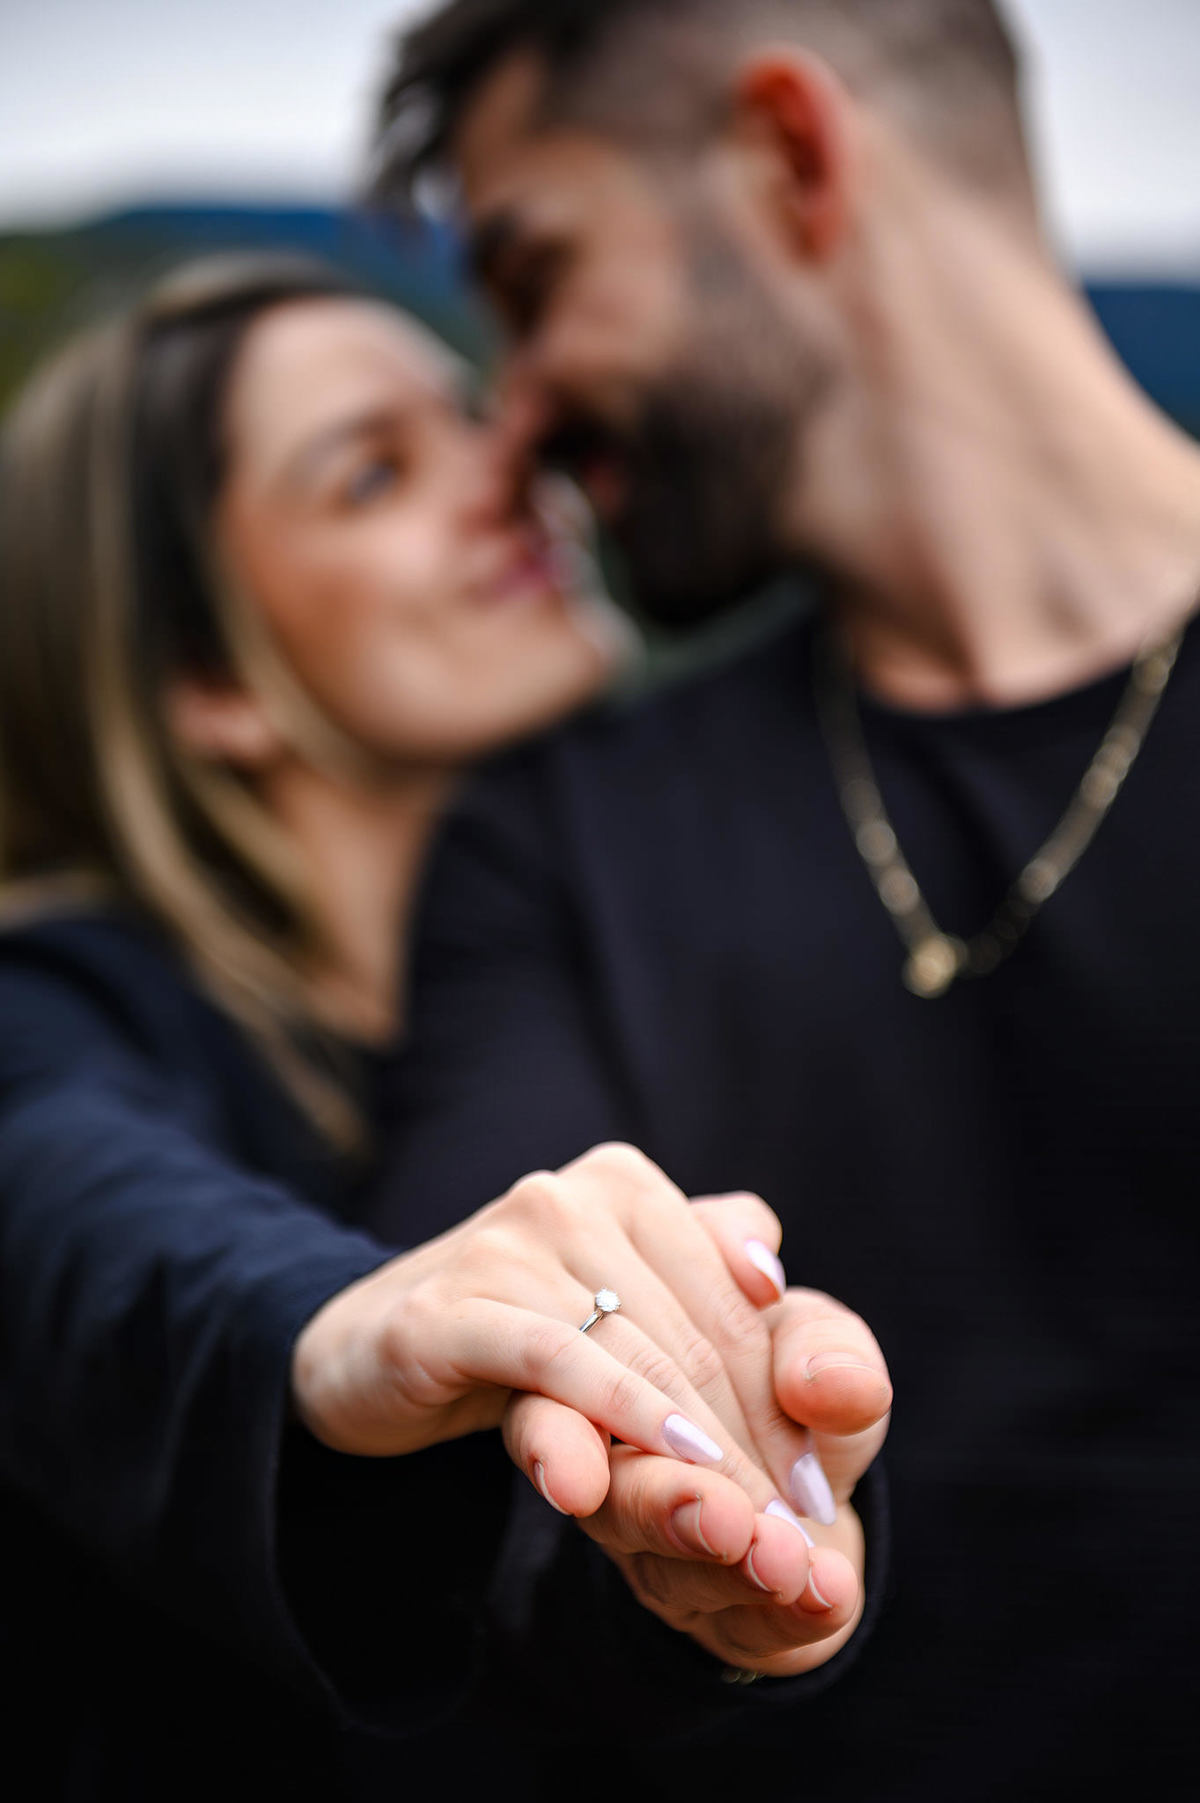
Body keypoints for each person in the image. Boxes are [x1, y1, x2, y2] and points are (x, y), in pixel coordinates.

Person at [365, 0, 1200, 1792]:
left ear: (792, 158)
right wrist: (683, 1563)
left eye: (534, 274)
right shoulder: (559, 839)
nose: (512, 427)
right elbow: (495, 1456)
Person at [0, 254, 892, 1798]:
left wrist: (734, 1557)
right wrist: (340, 1327)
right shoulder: (61, 1007)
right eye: (376, 471)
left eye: (472, 414)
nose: (512, 473)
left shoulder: (615, 977)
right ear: (213, 679)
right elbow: (74, 1223)